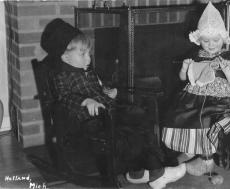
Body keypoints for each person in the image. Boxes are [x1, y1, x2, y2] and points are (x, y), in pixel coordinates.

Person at [40, 18, 186, 189]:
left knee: (138, 118)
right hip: (87, 122)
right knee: (127, 132)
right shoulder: (61, 76)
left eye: (89, 53)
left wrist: (109, 91)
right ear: (65, 56)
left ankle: (141, 170)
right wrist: (85, 101)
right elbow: (64, 97)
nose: (89, 58)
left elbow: (97, 88)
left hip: (108, 112)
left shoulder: (85, 71)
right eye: (83, 54)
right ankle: (155, 171)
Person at [161, 2, 230, 184]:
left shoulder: (229, 58)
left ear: (223, 39)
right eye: (206, 41)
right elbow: (185, 79)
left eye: (215, 40)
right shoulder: (197, 55)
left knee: (211, 125)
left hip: (222, 101)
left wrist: (227, 70)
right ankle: (194, 156)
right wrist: (184, 69)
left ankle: (207, 163)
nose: (211, 45)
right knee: (189, 119)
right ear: (199, 40)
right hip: (196, 98)